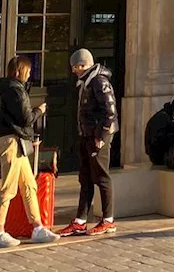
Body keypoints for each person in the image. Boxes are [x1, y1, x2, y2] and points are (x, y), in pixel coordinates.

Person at [0, 55, 60, 248]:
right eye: (27, 70)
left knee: (29, 186)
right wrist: (40, 110)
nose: (29, 74)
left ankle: (38, 227)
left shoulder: (7, 89)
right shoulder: (14, 90)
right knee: (8, 188)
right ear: (19, 70)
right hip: (12, 142)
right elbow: (26, 118)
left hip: (15, 141)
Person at [58, 49, 118, 237]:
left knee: (102, 177)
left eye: (77, 66)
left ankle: (108, 220)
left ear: (84, 65)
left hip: (97, 137)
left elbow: (110, 111)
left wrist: (100, 136)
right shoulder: (86, 82)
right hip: (87, 135)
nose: (74, 70)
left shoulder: (98, 81)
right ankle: (80, 221)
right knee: (85, 178)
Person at [144, 96, 174, 166]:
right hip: (159, 157)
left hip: (159, 154)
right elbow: (160, 142)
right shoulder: (163, 118)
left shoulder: (166, 116)